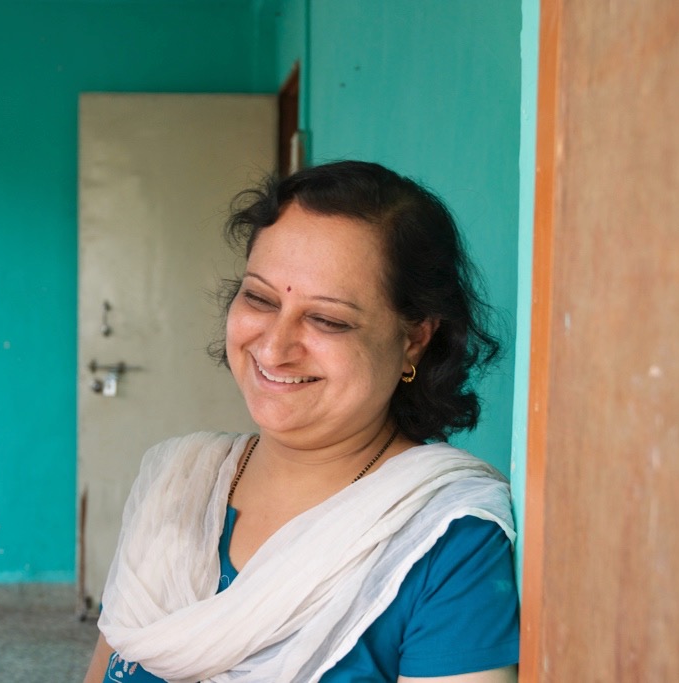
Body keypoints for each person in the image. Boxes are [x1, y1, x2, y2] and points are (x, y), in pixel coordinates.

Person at [83, 160, 518, 683]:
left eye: (327, 320)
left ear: (415, 338)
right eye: (259, 298)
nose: (273, 347)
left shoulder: (447, 543)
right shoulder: (178, 486)